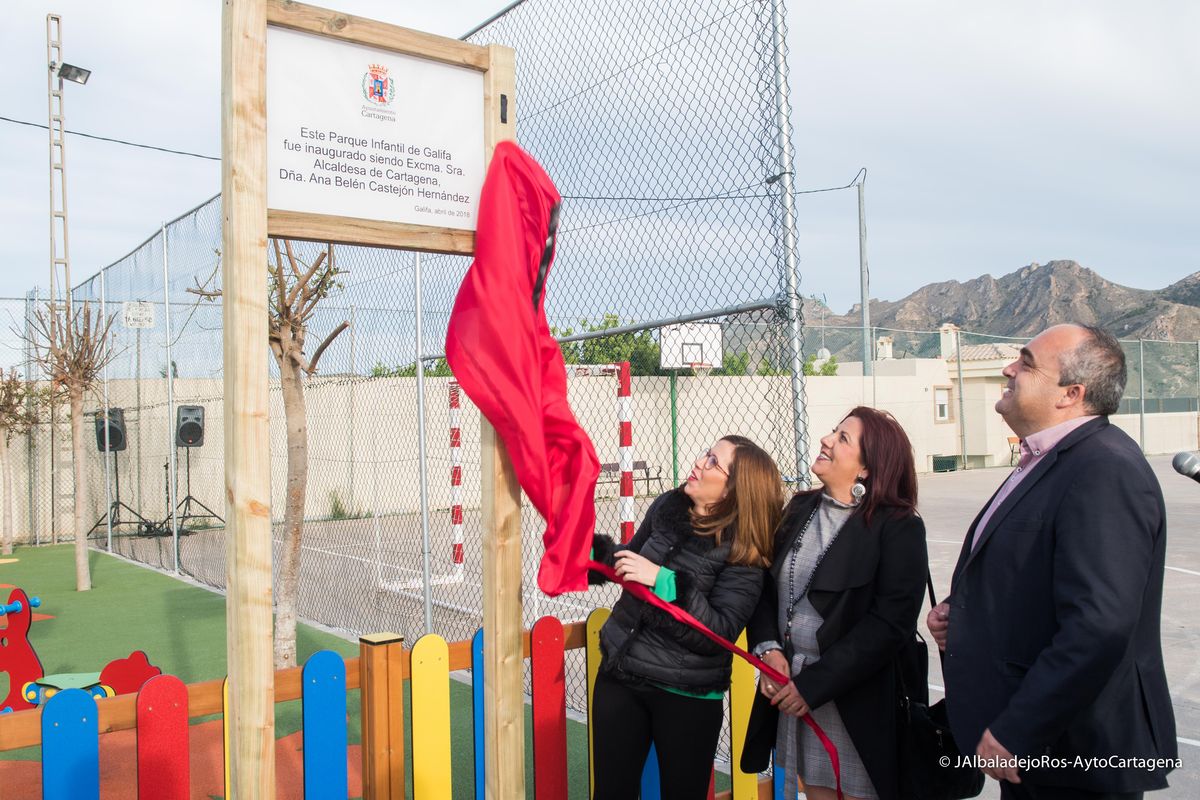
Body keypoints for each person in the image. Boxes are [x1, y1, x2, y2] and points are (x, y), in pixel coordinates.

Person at [927, 324, 1177, 799]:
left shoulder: (1104, 469)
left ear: (1071, 394)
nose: (1009, 369)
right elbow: (1034, 582)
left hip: (1073, 753)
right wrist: (964, 617)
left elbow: (1099, 625)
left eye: (1025, 362)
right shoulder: (1049, 461)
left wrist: (1020, 729)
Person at [742, 406, 928, 800]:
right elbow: (762, 585)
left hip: (853, 698)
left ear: (865, 468)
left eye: (843, 438)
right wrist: (769, 650)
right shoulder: (798, 508)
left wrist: (814, 685)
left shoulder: (899, 527)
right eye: (833, 432)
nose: (826, 439)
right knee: (816, 791)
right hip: (790, 689)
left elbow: (890, 624)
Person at [589, 435, 784, 800]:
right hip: (622, 674)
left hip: (686, 694)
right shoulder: (668, 506)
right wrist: (591, 555)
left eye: (713, 462)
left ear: (734, 490)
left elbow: (718, 634)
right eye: (706, 454)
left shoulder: (744, 548)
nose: (698, 462)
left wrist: (664, 581)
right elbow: (630, 561)